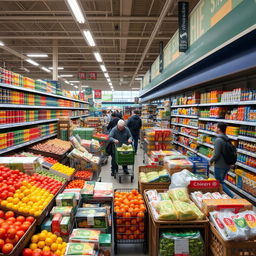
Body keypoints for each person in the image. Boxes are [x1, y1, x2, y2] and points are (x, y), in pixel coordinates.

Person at [209, 122, 234, 198]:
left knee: (219, 182)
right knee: (222, 180)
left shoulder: (218, 140)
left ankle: (232, 196)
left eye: (216, 127)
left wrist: (210, 161)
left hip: (220, 164)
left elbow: (216, 154)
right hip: (227, 164)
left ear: (219, 129)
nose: (214, 128)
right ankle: (220, 195)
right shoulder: (226, 138)